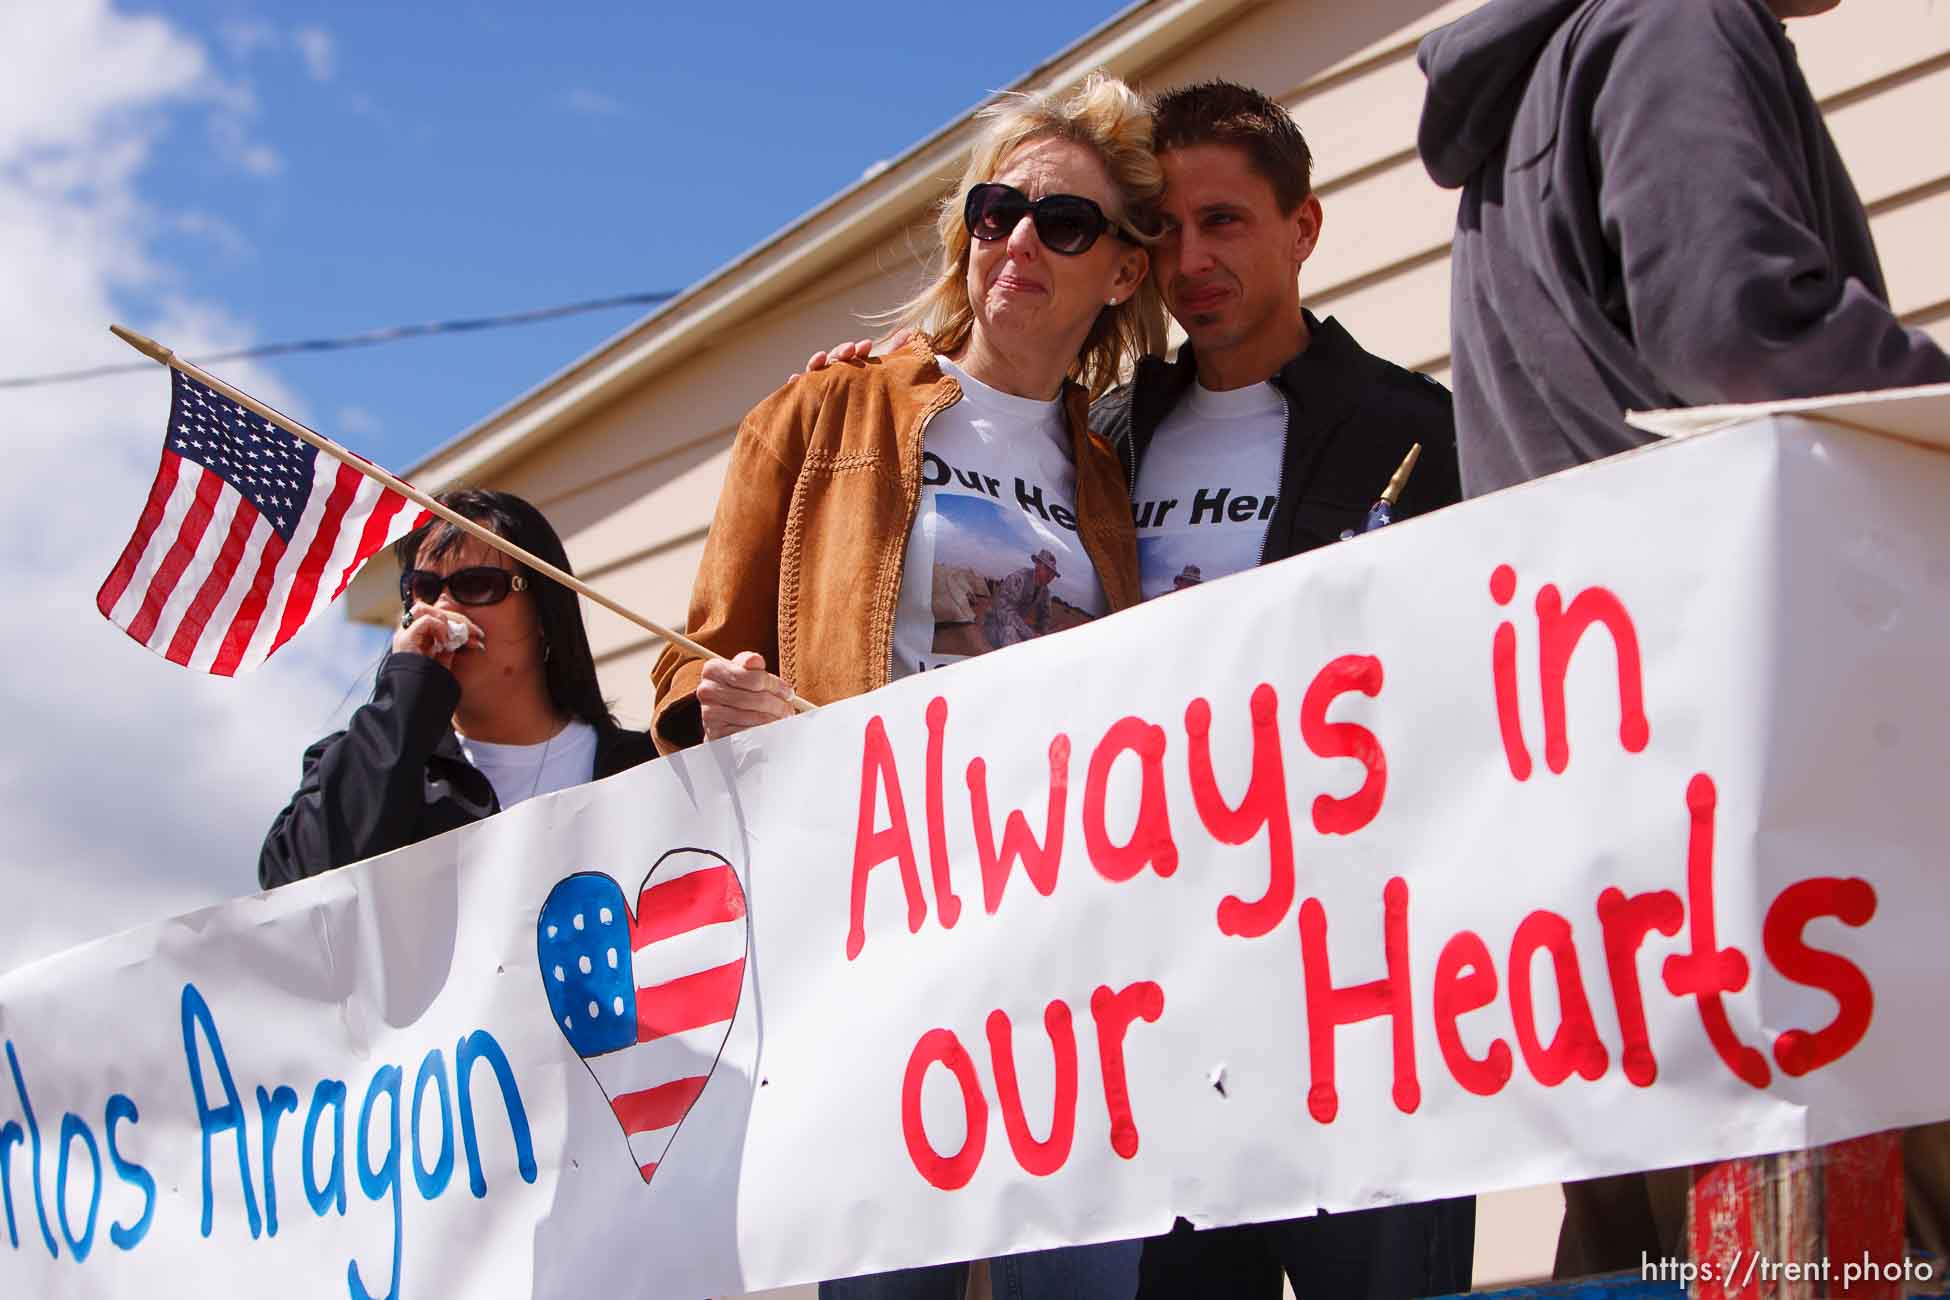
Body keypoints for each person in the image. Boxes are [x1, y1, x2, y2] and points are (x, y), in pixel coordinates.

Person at [810, 78, 1472, 1300]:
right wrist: (880, 385)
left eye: (1226, 223)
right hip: (1151, 1011)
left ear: (1304, 228)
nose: (1192, 259)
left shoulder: (1415, 427)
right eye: (1167, 229)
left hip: (1357, 1001)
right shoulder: (1105, 434)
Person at [1415, 0, 1950, 1277]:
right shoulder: (1673, 22)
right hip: (1769, 810)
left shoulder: (1544, 82)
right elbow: (1740, 331)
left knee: (1657, 1241)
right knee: (1850, 1250)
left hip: (1625, 823)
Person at [649, 73, 1156, 1298]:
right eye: (997, 211)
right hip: (873, 936)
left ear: (1124, 273)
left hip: (1063, 955)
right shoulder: (830, 406)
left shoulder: (1114, 475)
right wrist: (733, 708)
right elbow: (685, 662)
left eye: (1066, 223)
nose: (1021, 240)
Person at [1416, 0, 1950, 499]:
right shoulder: (1676, 23)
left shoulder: (1553, 73)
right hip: (1727, 577)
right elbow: (1740, 337)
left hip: (1608, 581)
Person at [259, 489, 656, 888]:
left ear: (543, 612)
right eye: (424, 589)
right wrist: (405, 688)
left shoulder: (645, 768)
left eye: (478, 584)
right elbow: (297, 883)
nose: (444, 608)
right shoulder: (363, 762)